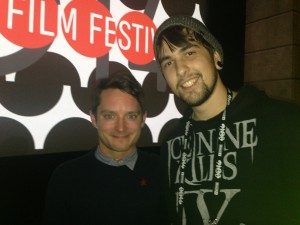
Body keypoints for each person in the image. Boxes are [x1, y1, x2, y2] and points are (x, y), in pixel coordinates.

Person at [153, 15, 300, 225]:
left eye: (189, 52)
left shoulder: (284, 123)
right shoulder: (171, 144)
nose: (180, 69)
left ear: (216, 56)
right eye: (168, 62)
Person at [43, 72, 161, 225]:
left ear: (143, 119)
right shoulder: (66, 177)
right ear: (94, 119)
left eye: (131, 116)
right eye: (110, 116)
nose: (121, 128)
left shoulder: (162, 170)